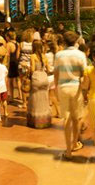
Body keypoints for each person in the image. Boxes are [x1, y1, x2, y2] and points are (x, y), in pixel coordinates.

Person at [54, 31, 87, 159]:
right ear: (75, 41)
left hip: (63, 87)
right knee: (76, 117)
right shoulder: (80, 55)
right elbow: (84, 74)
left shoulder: (59, 55)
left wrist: (56, 88)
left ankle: (68, 150)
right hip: (76, 87)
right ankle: (74, 143)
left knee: (66, 118)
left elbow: (56, 73)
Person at [27, 40, 51, 129]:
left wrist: (27, 68)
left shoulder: (32, 56)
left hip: (36, 78)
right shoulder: (45, 56)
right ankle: (45, 121)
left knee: (35, 99)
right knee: (44, 99)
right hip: (44, 77)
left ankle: (35, 121)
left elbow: (32, 69)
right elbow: (48, 70)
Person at [19, 29, 34, 109]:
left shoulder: (21, 44)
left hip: (22, 66)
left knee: (23, 84)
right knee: (31, 84)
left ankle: (24, 102)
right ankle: (30, 101)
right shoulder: (33, 44)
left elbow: (18, 55)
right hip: (31, 65)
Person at [45, 39, 60, 118]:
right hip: (54, 76)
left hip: (48, 75)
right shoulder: (56, 55)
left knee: (48, 95)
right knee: (52, 94)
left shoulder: (47, 55)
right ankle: (57, 111)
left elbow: (46, 66)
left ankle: (48, 112)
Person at [5, 32, 20, 102]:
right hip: (17, 62)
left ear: (8, 37)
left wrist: (6, 65)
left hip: (11, 63)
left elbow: (7, 55)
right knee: (18, 79)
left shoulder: (9, 44)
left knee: (10, 81)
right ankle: (20, 95)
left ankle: (11, 96)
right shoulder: (18, 43)